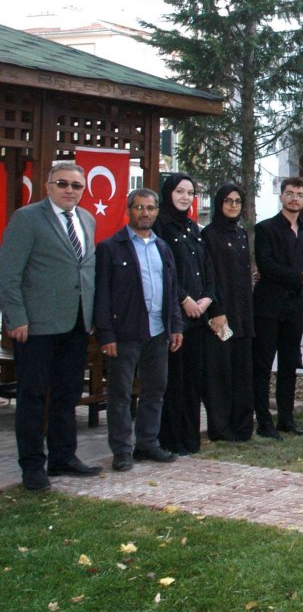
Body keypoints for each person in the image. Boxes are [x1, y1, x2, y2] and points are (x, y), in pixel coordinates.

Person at [0, 162, 100, 491]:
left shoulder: (86, 219)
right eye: (63, 184)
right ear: (48, 186)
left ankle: (63, 457)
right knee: (32, 395)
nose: (70, 190)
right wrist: (16, 318)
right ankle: (32, 465)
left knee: (67, 393)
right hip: (37, 325)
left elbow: (85, 271)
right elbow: (9, 273)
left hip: (75, 324)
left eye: (77, 186)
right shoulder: (27, 218)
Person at [95, 189, 184, 472]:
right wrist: (106, 334)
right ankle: (122, 450)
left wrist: (176, 326)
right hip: (124, 334)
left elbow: (171, 291)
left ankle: (147, 443)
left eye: (150, 208)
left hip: (158, 332)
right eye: (139, 208)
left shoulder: (162, 247)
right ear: (128, 210)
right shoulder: (111, 247)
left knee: (154, 390)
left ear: (157, 211)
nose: (145, 213)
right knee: (120, 394)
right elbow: (102, 295)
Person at [155, 174, 223, 456]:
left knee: (193, 380)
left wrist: (207, 298)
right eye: (179, 191)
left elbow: (207, 265)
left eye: (190, 192)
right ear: (168, 193)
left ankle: (189, 439)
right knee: (173, 381)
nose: (185, 197)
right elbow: (162, 269)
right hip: (174, 316)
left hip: (198, 317)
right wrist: (185, 299)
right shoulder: (159, 226)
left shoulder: (193, 228)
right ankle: (170, 440)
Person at [252, 176, 303, 438]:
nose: (294, 198)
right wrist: (299, 278)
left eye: (299, 195)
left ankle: (286, 420)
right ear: (282, 196)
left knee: (290, 364)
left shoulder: (302, 230)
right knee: (263, 366)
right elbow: (266, 266)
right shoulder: (266, 228)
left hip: (293, 308)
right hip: (267, 307)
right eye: (290, 194)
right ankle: (264, 423)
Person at [201, 184, 255, 442]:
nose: (233, 205)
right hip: (221, 315)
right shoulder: (209, 235)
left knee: (242, 371)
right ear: (219, 204)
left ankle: (242, 426)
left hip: (243, 314)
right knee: (221, 372)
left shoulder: (242, 234)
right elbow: (209, 276)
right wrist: (216, 310)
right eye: (228, 201)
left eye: (237, 201)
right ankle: (221, 429)